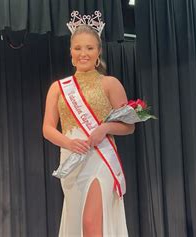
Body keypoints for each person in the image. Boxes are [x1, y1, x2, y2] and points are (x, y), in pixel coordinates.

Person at [42, 24, 134, 237]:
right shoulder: (58, 87)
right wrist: (69, 143)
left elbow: (129, 126)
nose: (84, 53)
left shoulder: (110, 84)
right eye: (78, 48)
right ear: (71, 52)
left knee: (91, 223)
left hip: (100, 158)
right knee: (77, 224)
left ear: (99, 51)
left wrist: (105, 128)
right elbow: (47, 128)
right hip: (72, 157)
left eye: (90, 48)